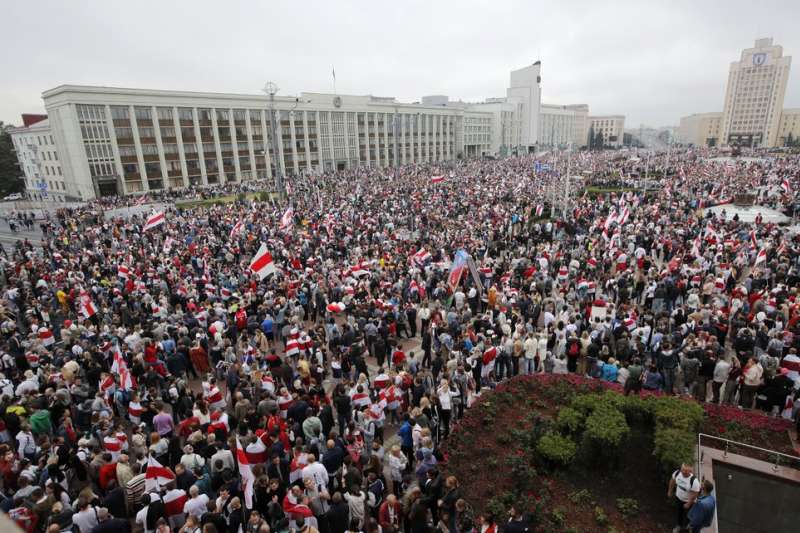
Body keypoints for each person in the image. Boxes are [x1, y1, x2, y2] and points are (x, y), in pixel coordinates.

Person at [667, 463, 700, 533]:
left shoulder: (694, 481)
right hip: (678, 498)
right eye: (683, 470)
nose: (683, 472)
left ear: (690, 471)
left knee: (688, 515)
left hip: (689, 501)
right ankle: (679, 526)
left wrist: (689, 503)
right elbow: (672, 481)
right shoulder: (677, 473)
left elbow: (695, 493)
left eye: (686, 471)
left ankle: (688, 527)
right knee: (679, 512)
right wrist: (670, 491)